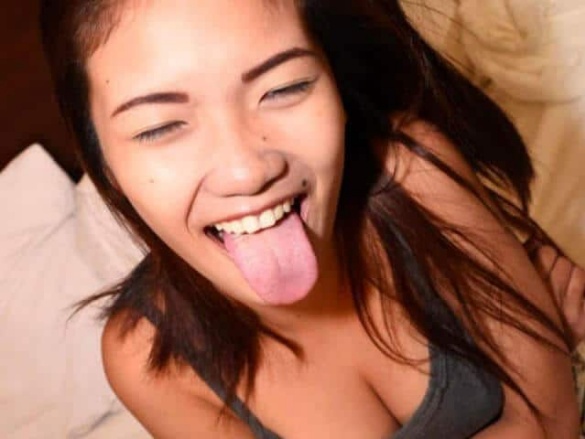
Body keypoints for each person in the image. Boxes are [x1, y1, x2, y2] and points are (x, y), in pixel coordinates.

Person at [40, 0, 585, 437]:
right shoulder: (150, 361)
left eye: (285, 88)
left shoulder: (413, 172)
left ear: (335, 88)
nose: (245, 171)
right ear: (104, 165)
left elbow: (554, 420)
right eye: (161, 127)